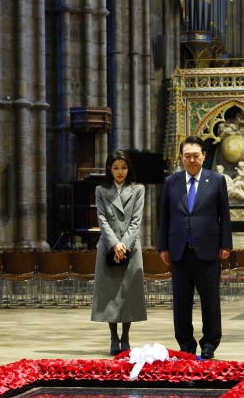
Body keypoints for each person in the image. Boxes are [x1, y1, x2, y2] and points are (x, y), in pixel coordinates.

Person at [158, 135, 233, 359]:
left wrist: (226, 244)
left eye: (196, 156)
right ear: (181, 158)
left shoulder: (216, 180)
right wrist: (163, 246)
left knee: (210, 301)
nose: (192, 160)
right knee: (181, 301)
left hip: (208, 249)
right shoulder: (172, 182)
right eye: (187, 156)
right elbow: (165, 216)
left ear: (204, 156)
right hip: (179, 249)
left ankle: (209, 343)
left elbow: (224, 215)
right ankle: (186, 344)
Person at [91, 151, 147, 355]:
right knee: (111, 294)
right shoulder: (101, 190)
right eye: (116, 168)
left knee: (129, 294)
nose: (120, 172)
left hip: (130, 247)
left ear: (128, 168)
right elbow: (102, 219)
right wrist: (115, 244)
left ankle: (126, 337)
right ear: (109, 169)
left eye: (123, 167)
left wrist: (124, 245)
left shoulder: (138, 189)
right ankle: (114, 336)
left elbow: (136, 221)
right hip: (108, 246)